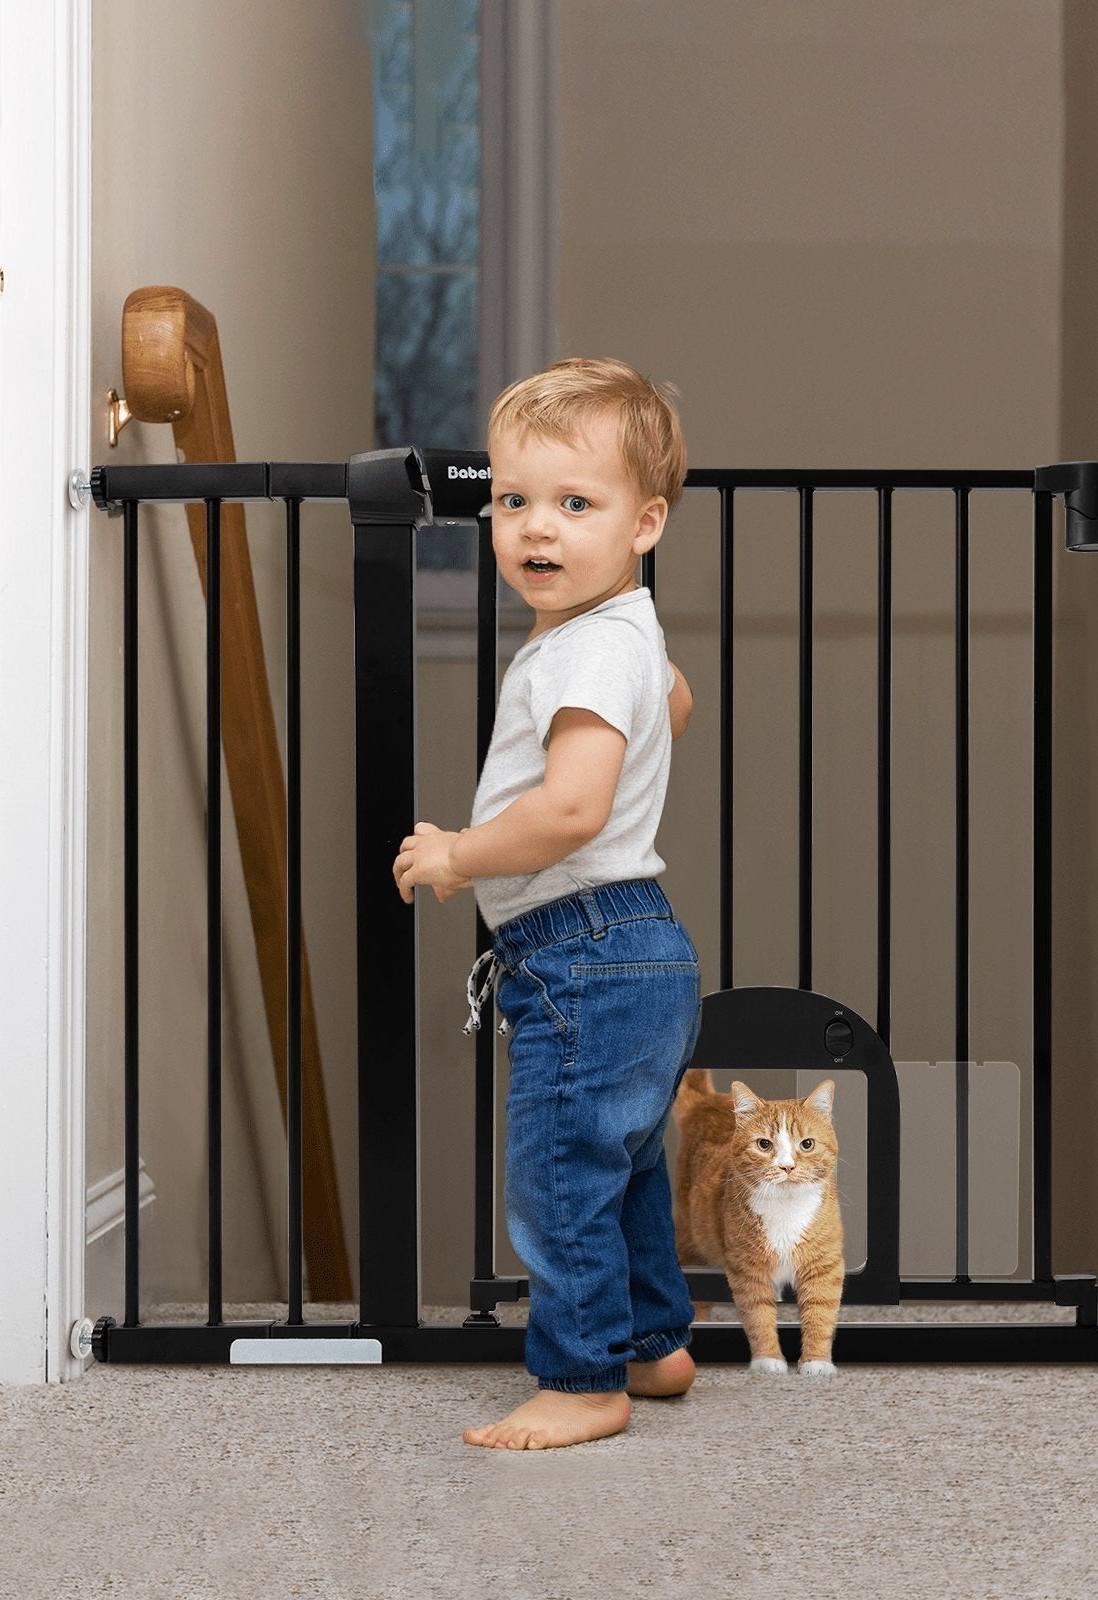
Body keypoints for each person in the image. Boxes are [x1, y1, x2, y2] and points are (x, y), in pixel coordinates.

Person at [390, 357, 701, 1450]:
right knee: (622, 1164)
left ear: (645, 521)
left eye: (577, 504)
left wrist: (461, 854)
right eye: (514, 501)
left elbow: (569, 812)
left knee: (561, 1170)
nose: (536, 528)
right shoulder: (623, 636)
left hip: (586, 947)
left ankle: (581, 1380)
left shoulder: (590, 646)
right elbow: (678, 698)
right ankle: (655, 1344)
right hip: (632, 951)